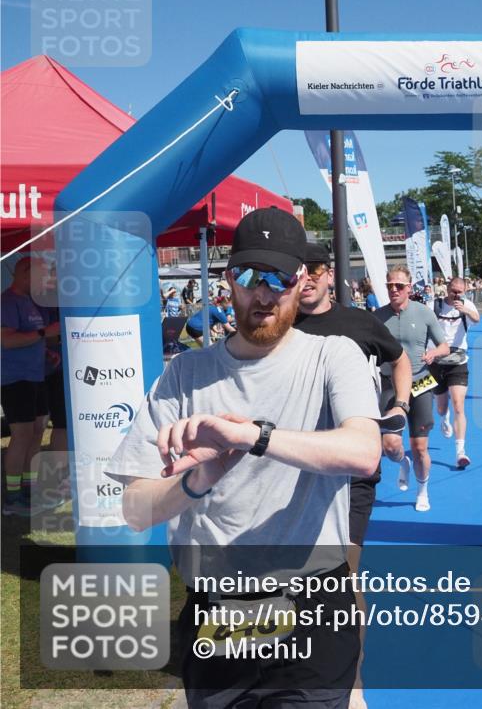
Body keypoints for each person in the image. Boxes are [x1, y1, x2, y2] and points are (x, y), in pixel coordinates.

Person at [110, 208, 382, 708]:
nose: (263, 293)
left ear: (301, 281)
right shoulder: (185, 375)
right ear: (228, 280)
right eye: (250, 276)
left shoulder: (333, 356)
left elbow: (364, 452)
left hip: (311, 607)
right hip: (217, 614)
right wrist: (199, 479)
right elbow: (133, 510)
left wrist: (254, 436)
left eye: (278, 277)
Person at [294, 244, 411, 709]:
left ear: (329, 276)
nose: (306, 280)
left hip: (352, 470)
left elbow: (399, 359)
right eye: (297, 272)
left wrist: (397, 405)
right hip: (296, 467)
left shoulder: (360, 323)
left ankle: (352, 682)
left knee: (342, 574)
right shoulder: (279, 325)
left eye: (315, 271)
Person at [374, 266, 450, 512]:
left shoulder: (424, 313)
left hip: (419, 382)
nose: (393, 290)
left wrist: (433, 353)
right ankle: (402, 462)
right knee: (390, 446)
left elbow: (445, 346)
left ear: (409, 288)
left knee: (419, 448)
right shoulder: (377, 316)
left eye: (399, 286)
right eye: (389, 286)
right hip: (390, 384)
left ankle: (422, 490)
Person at [1, 257, 56, 515]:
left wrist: (46, 352)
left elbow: (33, 336)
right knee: (21, 435)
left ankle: (29, 489)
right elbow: (7, 341)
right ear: (24, 274)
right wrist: (44, 334)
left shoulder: (33, 303)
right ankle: (12, 498)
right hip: (15, 378)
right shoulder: (8, 302)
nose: (43, 282)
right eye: (40, 276)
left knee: (37, 431)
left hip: (36, 376)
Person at [430, 277, 481, 469]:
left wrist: (465, 309)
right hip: (436, 361)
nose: (456, 295)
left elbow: (476, 318)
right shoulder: (434, 305)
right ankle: (444, 417)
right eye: (453, 291)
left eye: (460, 291)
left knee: (459, 405)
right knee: (441, 407)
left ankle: (460, 451)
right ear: (447, 289)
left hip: (458, 361)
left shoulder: (467, 305)